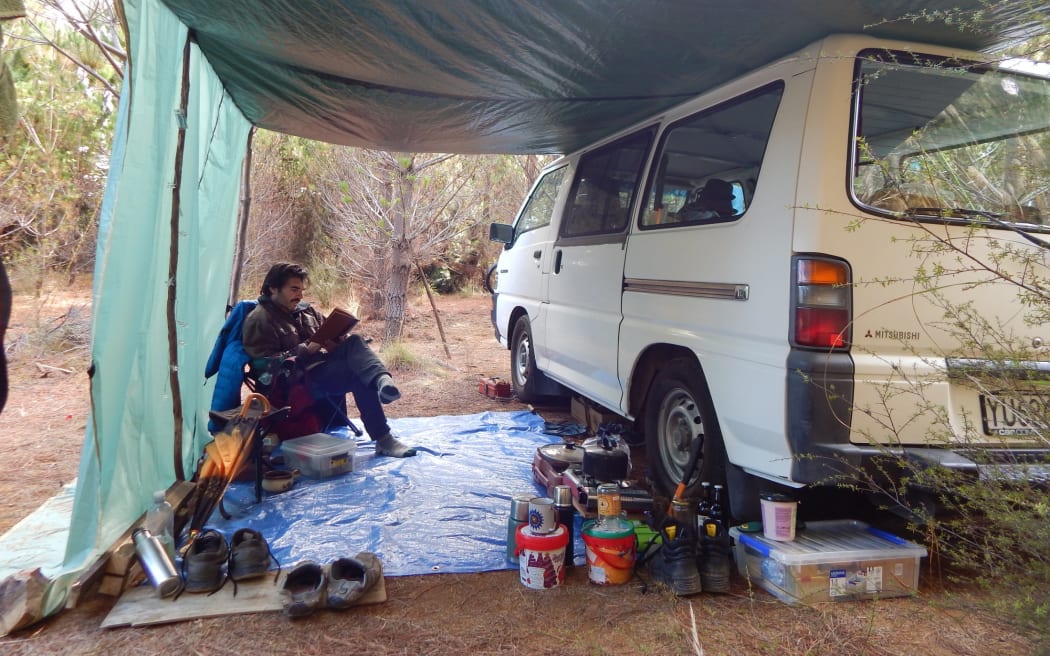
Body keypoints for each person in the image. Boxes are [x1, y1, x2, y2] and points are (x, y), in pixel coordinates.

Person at [241, 262, 417, 458]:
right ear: (273, 288)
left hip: (320, 371)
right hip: (294, 385)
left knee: (355, 344)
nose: (299, 295)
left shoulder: (306, 311)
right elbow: (263, 369)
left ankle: (383, 428)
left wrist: (336, 341)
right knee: (360, 372)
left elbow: (328, 330)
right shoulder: (259, 320)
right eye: (293, 289)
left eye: (301, 290)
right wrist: (305, 350)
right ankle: (382, 387)